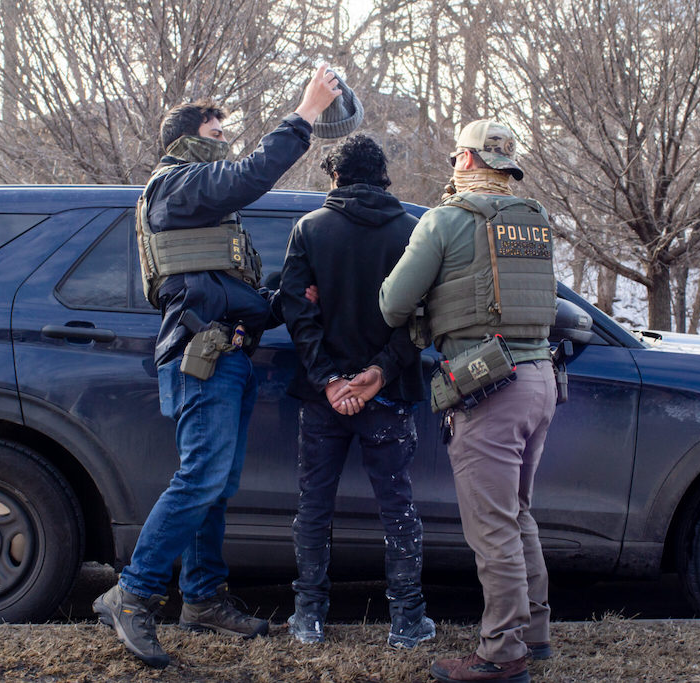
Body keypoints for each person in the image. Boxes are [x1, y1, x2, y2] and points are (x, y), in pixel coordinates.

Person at [92, 65, 342, 669]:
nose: (226, 139)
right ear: (187, 138)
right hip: (199, 358)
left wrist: (288, 297)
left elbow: (234, 297)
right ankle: (133, 593)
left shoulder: (202, 212)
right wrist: (306, 114)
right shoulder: (175, 185)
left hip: (225, 355)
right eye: (216, 130)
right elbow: (249, 175)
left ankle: (202, 598)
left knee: (217, 484)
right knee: (202, 478)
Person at [379, 120, 558, 683]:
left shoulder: (444, 220)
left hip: (488, 387)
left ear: (464, 160)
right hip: (541, 378)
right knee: (517, 514)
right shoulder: (536, 219)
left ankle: (502, 654)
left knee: (493, 529)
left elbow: (392, 303)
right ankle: (534, 634)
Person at [279, 134, 435, 648]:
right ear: (382, 175)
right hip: (389, 394)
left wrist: (329, 380)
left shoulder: (310, 229)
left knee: (314, 503)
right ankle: (407, 620)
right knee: (397, 504)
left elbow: (297, 312)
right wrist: (380, 373)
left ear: (336, 176)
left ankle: (308, 617)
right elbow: (422, 318)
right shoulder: (412, 231)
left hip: (323, 399)